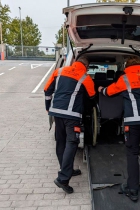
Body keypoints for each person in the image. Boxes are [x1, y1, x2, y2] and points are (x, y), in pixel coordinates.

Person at [98, 56, 140, 202]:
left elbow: (110, 92)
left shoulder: (125, 79)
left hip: (133, 121)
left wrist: (101, 89)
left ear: (127, 66)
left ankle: (132, 189)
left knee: (132, 152)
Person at [44, 56, 95, 194]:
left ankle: (67, 169)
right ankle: (63, 179)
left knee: (60, 141)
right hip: (72, 116)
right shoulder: (85, 77)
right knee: (72, 143)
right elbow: (92, 96)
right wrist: (86, 110)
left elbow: (47, 90)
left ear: (74, 62)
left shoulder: (59, 71)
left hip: (57, 113)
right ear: (86, 66)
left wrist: (48, 106)